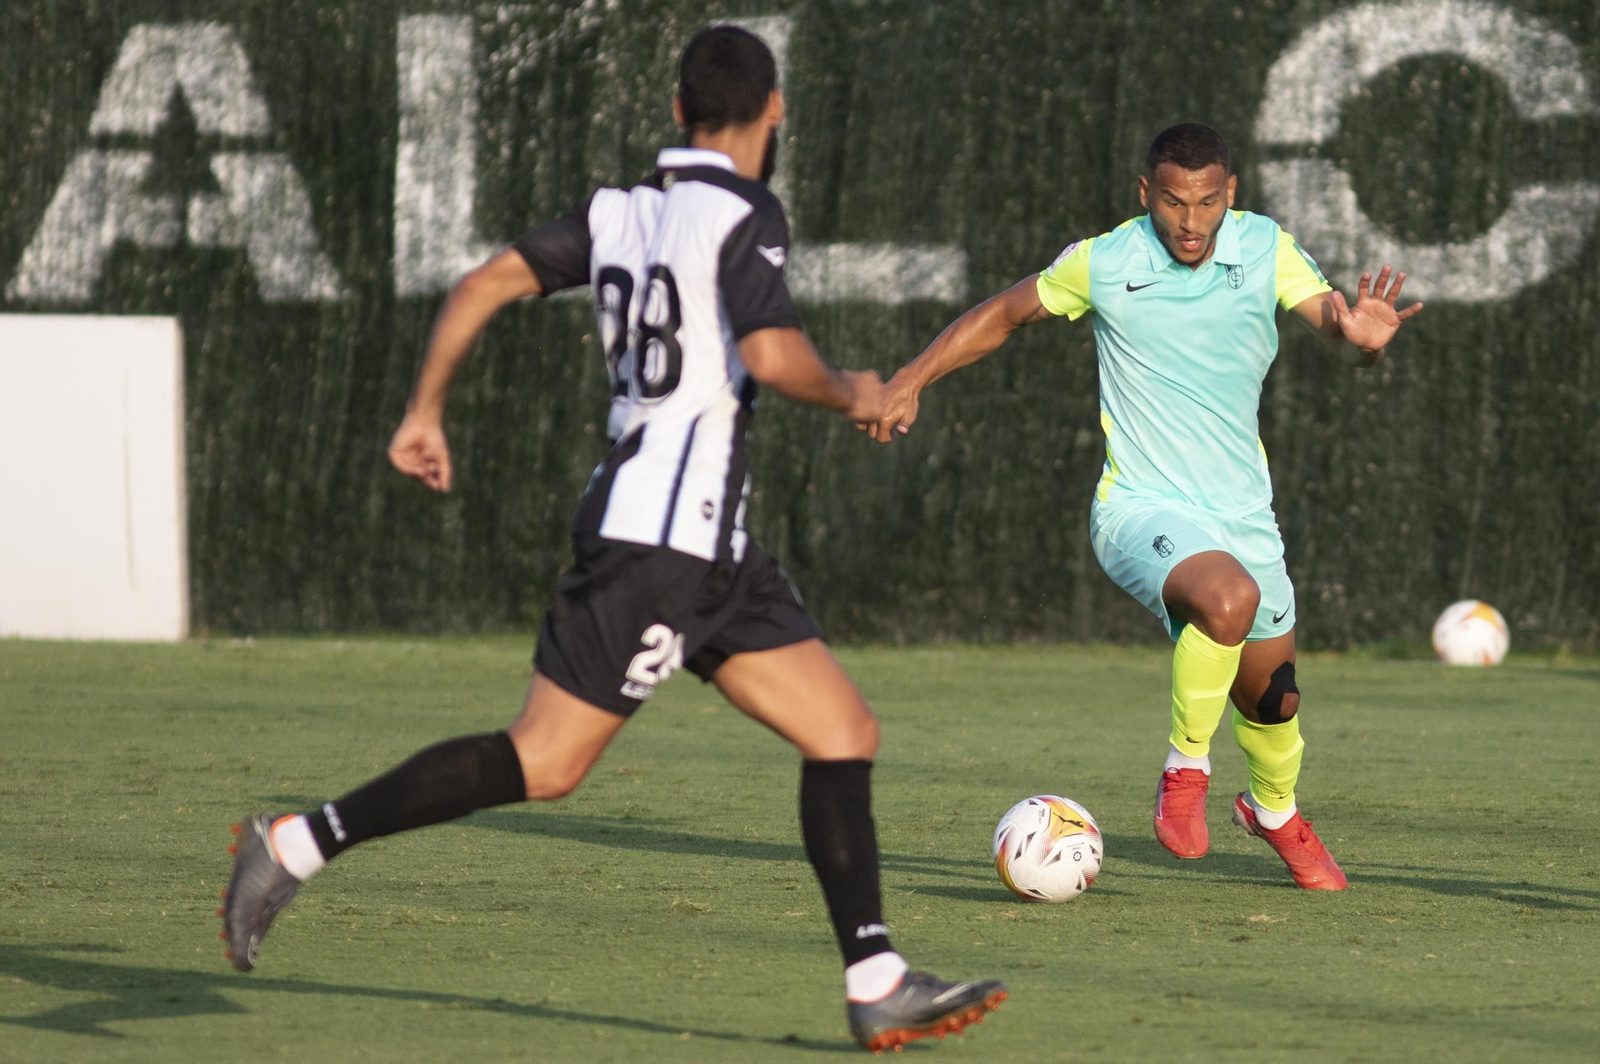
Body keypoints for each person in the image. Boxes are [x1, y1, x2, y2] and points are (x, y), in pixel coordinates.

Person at [221, 26, 1004, 1052]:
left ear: (679, 112)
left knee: (841, 730)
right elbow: (771, 356)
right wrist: (854, 387)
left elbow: (479, 285)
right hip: (658, 545)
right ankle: (296, 840)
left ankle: (878, 979)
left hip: (710, 547)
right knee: (546, 761)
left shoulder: (616, 212)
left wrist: (424, 409)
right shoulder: (741, 209)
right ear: (772, 113)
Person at [869, 123, 1422, 890]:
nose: (1190, 221)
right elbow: (1002, 314)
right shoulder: (1107, 260)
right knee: (1228, 598)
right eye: (1172, 201)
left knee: (1274, 699)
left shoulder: (1265, 247)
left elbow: (1331, 317)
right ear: (1145, 194)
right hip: (1139, 507)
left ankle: (1273, 812)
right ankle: (1183, 774)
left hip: (1241, 516)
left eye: (1206, 201)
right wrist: (911, 378)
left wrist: (1360, 336)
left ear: (1230, 194)